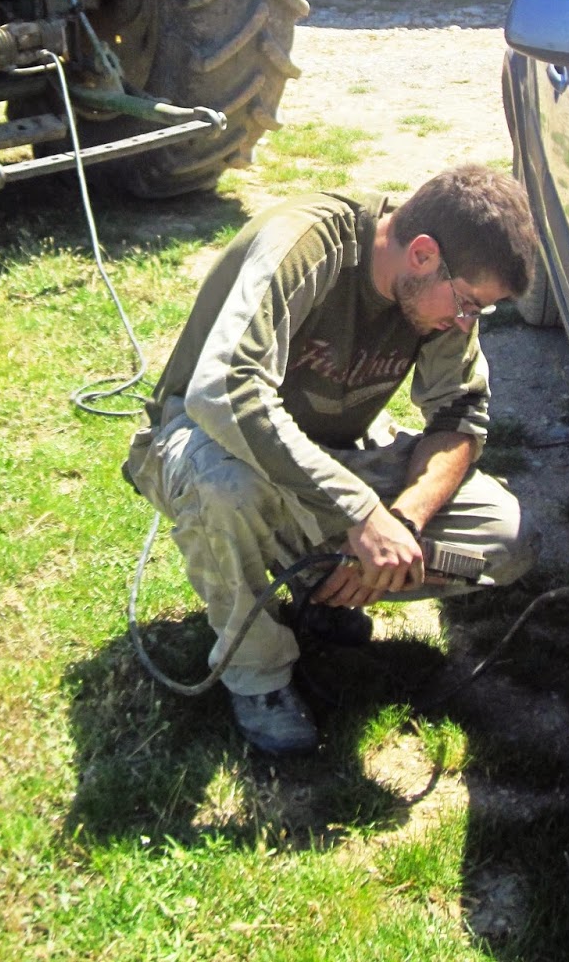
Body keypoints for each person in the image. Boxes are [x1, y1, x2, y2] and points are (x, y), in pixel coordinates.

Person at [125, 164, 540, 755]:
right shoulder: (306, 242)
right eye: (468, 304)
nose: (464, 322)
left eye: (480, 312)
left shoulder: (439, 293)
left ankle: (320, 586)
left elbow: (461, 417)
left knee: (505, 537)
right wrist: (358, 513)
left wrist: (402, 521)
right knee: (226, 489)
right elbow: (224, 390)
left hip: (328, 454)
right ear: (422, 254)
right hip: (207, 442)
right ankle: (258, 675)